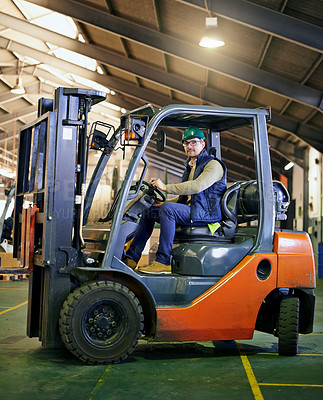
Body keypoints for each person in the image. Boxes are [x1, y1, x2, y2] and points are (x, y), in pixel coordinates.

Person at [124, 126, 227, 274]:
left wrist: (166, 187)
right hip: (193, 210)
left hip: (207, 214)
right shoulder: (192, 166)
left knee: (168, 210)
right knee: (150, 211)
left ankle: (163, 261)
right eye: (186, 143)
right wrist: (163, 202)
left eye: (193, 142)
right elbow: (184, 198)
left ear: (203, 144)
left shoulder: (213, 165)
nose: (189, 146)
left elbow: (197, 187)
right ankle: (132, 258)